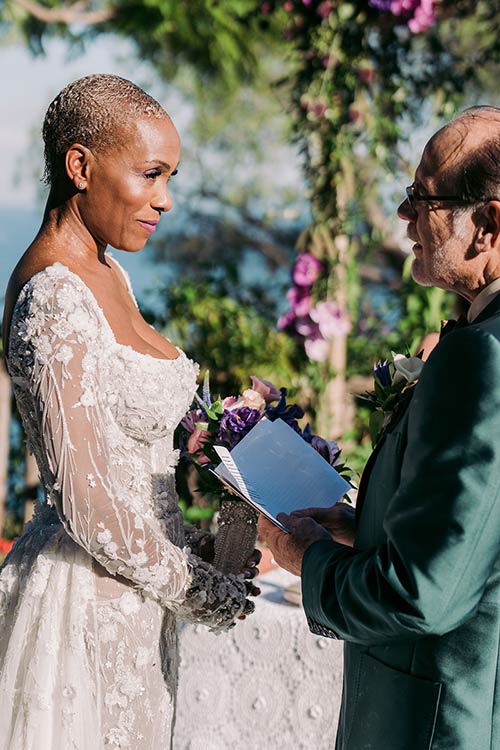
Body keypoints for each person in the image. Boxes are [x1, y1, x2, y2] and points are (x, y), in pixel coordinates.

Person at [0, 73, 259, 750]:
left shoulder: (110, 272)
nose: (165, 199)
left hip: (143, 598)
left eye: (170, 176)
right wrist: (200, 587)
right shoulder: (53, 297)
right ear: (80, 166)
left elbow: (125, 458)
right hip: (83, 605)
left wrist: (200, 542)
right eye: (150, 175)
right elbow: (85, 501)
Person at [259, 105, 500, 750]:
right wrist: (370, 526)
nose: (405, 215)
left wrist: (302, 557)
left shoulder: (485, 356)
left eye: (424, 197)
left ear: (490, 224)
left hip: (438, 724)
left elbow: (424, 594)